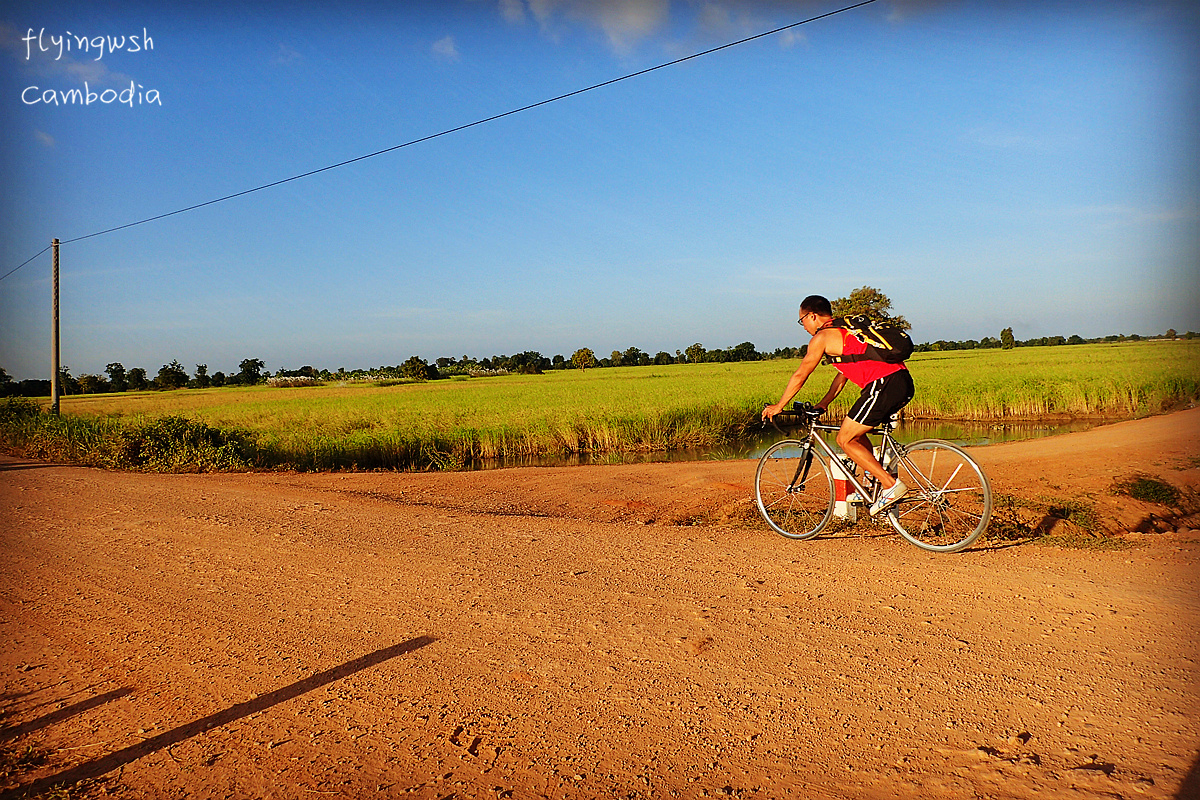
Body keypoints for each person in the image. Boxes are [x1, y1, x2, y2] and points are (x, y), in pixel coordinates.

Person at [761, 294, 915, 516]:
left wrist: (779, 405)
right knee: (857, 433)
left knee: (844, 439)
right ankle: (874, 478)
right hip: (901, 382)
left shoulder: (822, 337)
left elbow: (801, 373)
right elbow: (842, 376)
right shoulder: (846, 330)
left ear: (812, 315)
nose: (803, 326)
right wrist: (823, 404)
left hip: (883, 384)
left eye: (802, 320)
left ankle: (890, 485)